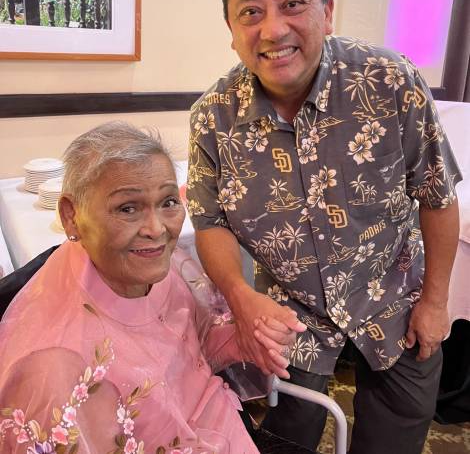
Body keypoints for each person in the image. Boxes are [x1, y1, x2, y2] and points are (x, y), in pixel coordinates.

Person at [186, 0, 462, 454]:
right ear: (231, 28)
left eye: (293, 4)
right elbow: (209, 221)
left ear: (327, 11)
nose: (273, 30)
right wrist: (241, 298)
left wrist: (434, 301)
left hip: (394, 293)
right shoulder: (213, 118)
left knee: (398, 432)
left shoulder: (389, 82)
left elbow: (437, 196)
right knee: (285, 436)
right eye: (251, 12)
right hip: (291, 313)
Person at [0, 121, 299, 454]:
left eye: (168, 202)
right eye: (127, 208)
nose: (157, 230)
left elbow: (189, 349)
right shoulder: (53, 366)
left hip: (220, 428)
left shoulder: (157, 265)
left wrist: (244, 337)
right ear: (72, 216)